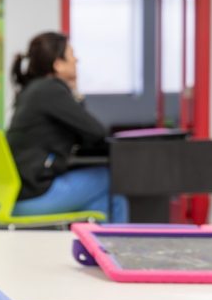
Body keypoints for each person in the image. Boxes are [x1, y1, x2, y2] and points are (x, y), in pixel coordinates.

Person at [7, 31, 128, 222]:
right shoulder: (50, 89)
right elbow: (95, 131)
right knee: (111, 179)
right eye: (71, 54)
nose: (76, 60)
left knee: (106, 203)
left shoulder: (33, 89)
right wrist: (75, 92)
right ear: (58, 64)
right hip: (37, 195)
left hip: (19, 194)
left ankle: (100, 246)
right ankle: (115, 249)